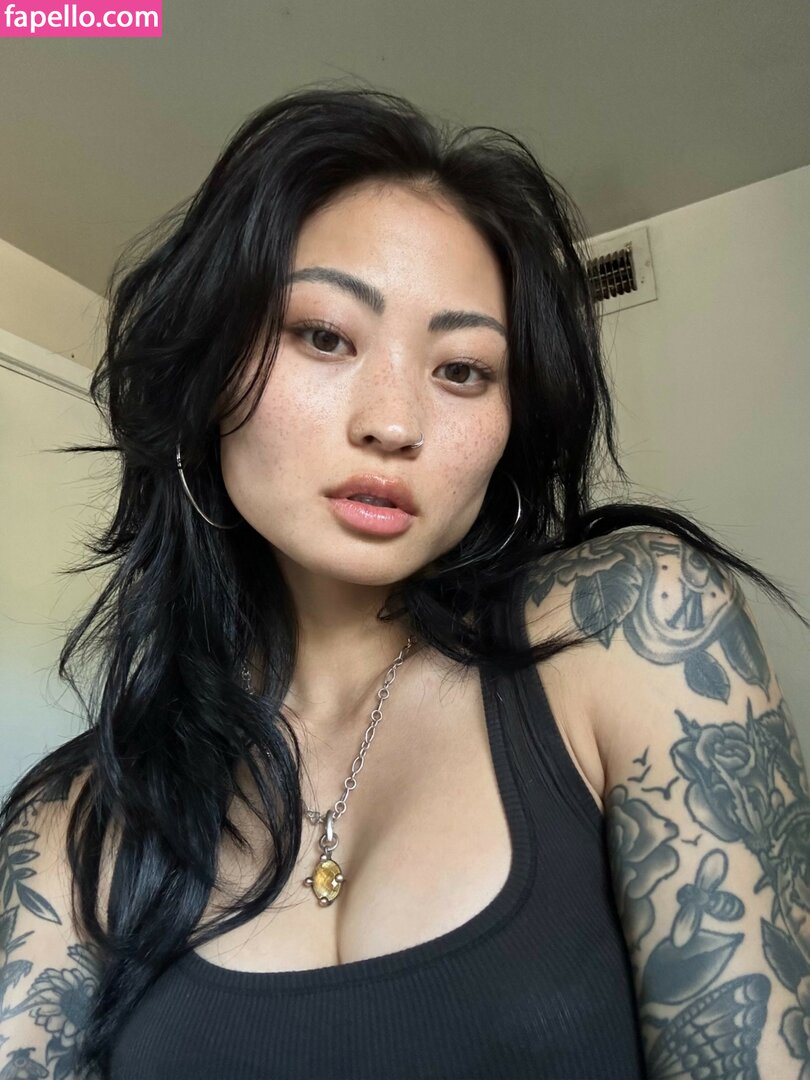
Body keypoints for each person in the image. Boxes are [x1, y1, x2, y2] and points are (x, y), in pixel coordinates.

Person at [1, 84, 808, 1080]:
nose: (393, 423)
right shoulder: (76, 821)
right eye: (324, 335)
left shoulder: (635, 627)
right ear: (210, 372)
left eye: (463, 369)